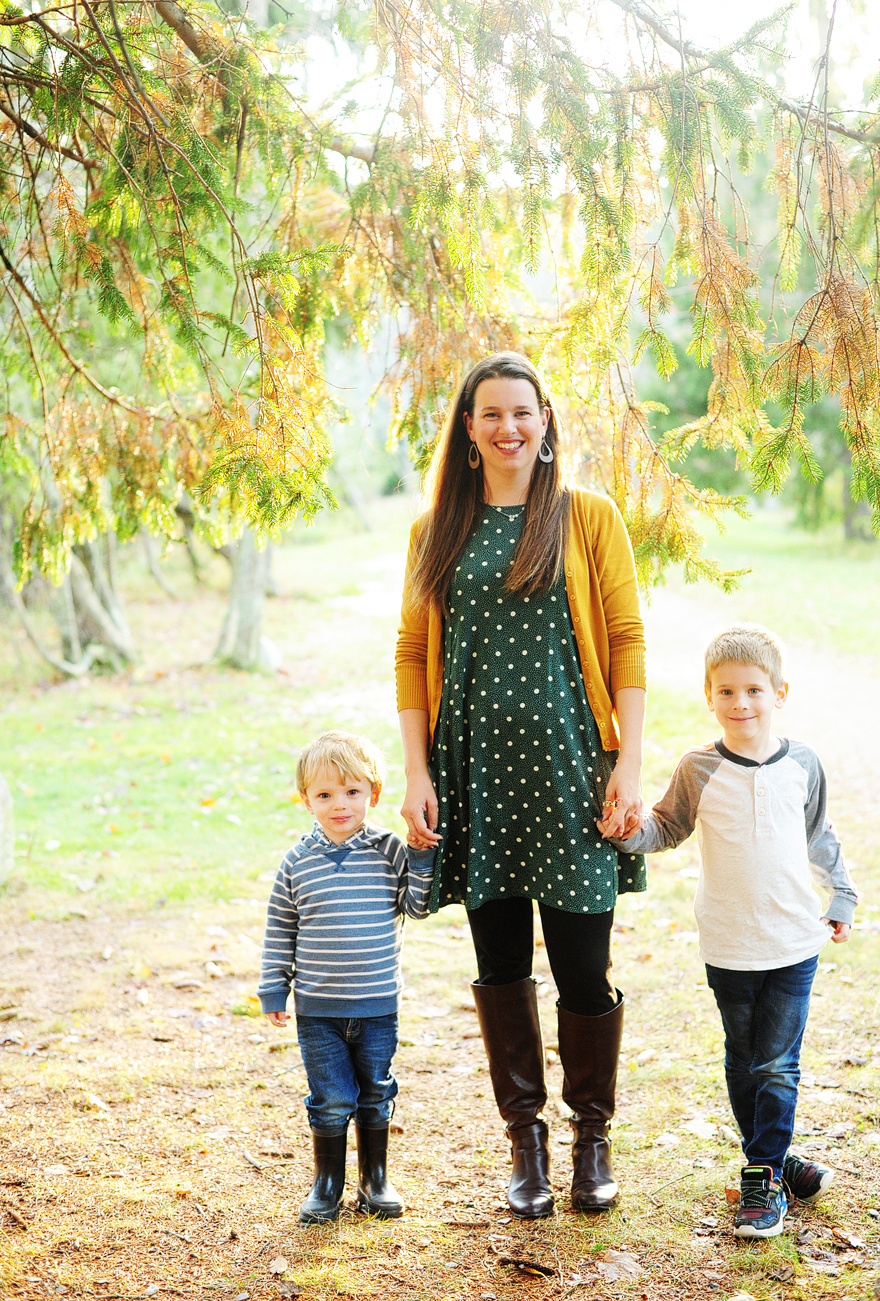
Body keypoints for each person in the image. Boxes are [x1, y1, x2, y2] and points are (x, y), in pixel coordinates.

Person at [395, 351, 648, 1218]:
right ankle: (526, 1146)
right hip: (476, 779)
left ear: (546, 425)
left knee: (585, 965)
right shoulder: (436, 529)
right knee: (499, 964)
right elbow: (411, 653)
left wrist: (631, 763)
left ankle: (592, 1140)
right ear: (468, 430)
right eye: (491, 413)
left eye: (524, 413)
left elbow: (627, 641)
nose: (509, 427)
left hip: (575, 773)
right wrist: (418, 770)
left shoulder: (586, 516)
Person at [613, 623, 857, 1238]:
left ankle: (761, 1180)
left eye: (752, 690)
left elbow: (818, 834)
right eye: (726, 692)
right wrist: (628, 832)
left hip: (794, 940)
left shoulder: (803, 763)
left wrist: (844, 895)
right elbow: (665, 828)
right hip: (728, 942)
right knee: (744, 1062)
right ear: (708, 695)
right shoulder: (698, 769)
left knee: (777, 1065)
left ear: (779, 693)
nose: (740, 703)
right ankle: (775, 1164)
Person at [258, 730, 435, 1223]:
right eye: (325, 794)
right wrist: (275, 985)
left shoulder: (388, 851)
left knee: (376, 1091)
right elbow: (280, 929)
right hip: (319, 1010)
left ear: (373, 794)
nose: (340, 804)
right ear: (306, 800)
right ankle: (328, 1183)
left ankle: (374, 1180)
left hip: (378, 1004)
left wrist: (421, 855)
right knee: (332, 1098)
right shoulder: (297, 863)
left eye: (352, 792)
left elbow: (416, 907)